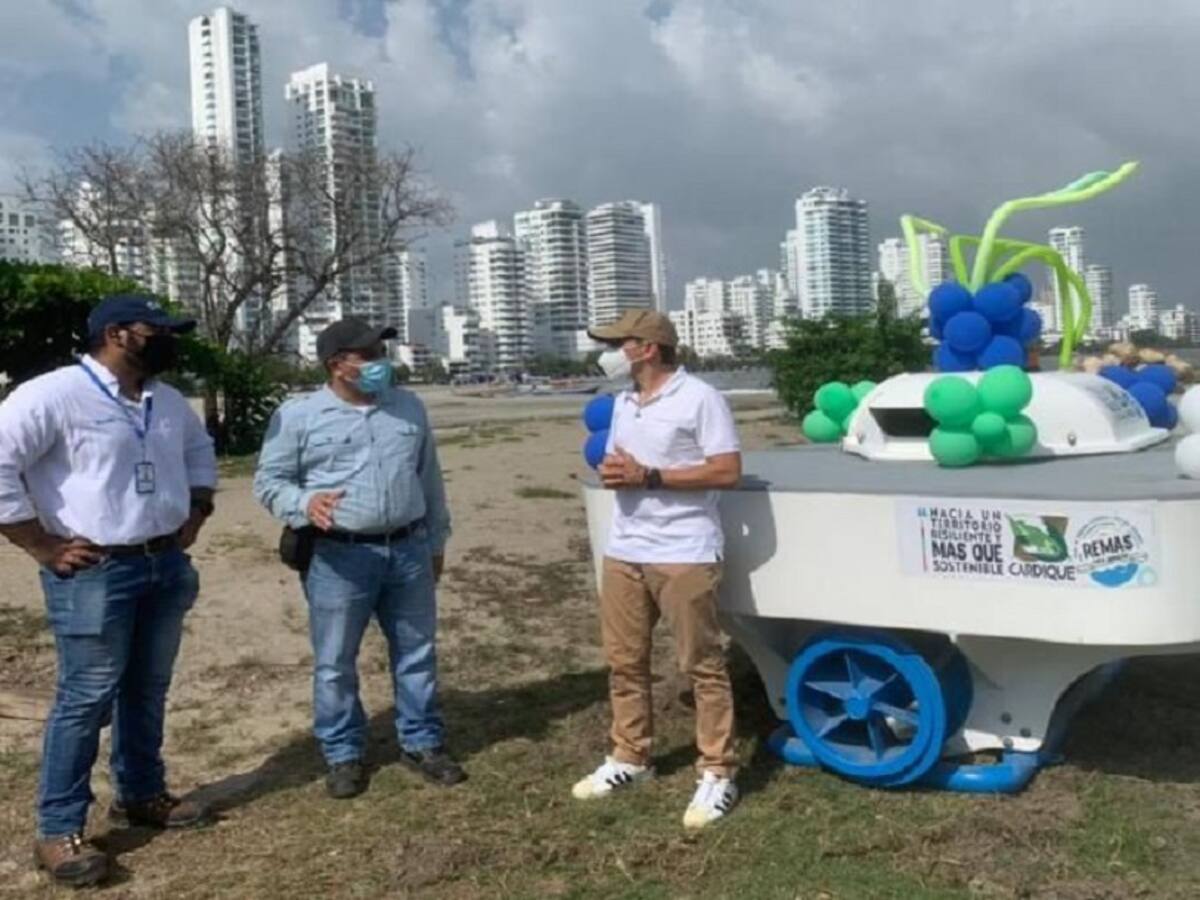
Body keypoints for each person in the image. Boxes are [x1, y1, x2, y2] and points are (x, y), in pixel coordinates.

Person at [0, 295, 217, 888]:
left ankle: (141, 792)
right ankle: (58, 829)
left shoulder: (164, 400)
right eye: (157, 330)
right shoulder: (53, 395)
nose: (169, 340)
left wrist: (197, 509)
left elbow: (199, 452)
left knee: (147, 687)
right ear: (118, 334)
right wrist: (40, 544)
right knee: (87, 696)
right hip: (96, 571)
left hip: (163, 564)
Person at [253, 317, 462, 800]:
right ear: (336, 365)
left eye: (380, 353)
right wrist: (304, 503)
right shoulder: (300, 416)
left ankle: (422, 742)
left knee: (416, 651)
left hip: (408, 549)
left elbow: (429, 479)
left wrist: (435, 543)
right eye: (367, 356)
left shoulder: (408, 407)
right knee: (334, 661)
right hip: (338, 558)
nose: (379, 363)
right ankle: (343, 752)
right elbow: (269, 482)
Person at [572, 309, 743, 829]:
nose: (608, 354)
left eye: (617, 343)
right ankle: (631, 755)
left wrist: (650, 477)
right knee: (625, 661)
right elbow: (627, 467)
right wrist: (618, 472)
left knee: (702, 665)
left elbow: (727, 470)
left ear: (646, 348)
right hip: (625, 549)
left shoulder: (701, 398)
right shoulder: (624, 403)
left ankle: (718, 771)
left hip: (684, 551)